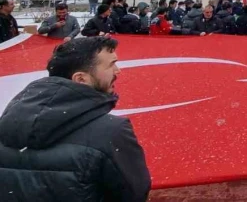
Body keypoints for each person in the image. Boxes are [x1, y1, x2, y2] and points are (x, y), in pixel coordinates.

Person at [0, 36, 151, 201]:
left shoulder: (7, 122)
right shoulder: (111, 131)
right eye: (111, 64)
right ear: (81, 79)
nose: (118, 70)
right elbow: (133, 194)